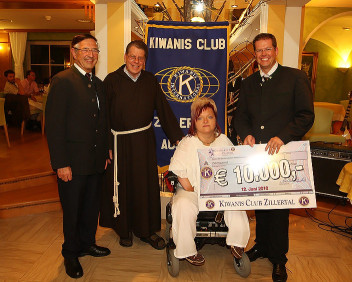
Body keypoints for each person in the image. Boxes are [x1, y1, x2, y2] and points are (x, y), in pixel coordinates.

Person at [234, 33, 314, 282]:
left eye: (267, 49)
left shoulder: (295, 77)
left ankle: (279, 259)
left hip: (282, 153)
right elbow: (240, 116)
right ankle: (261, 245)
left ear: (276, 50)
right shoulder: (247, 83)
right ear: (255, 56)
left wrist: (283, 136)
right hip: (257, 155)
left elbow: (305, 115)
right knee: (260, 204)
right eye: (259, 51)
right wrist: (245, 134)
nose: (263, 54)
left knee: (278, 209)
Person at [99, 40, 184, 250]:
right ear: (125, 57)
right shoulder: (111, 81)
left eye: (140, 58)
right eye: (132, 56)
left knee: (144, 186)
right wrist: (106, 145)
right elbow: (103, 118)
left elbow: (163, 109)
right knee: (123, 185)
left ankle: (146, 231)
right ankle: (124, 230)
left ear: (145, 61)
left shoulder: (150, 81)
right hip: (119, 143)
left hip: (144, 142)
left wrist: (177, 138)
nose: (136, 61)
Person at [46, 34, 110, 279]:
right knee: (72, 209)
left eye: (95, 50)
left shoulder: (98, 83)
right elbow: (54, 126)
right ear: (74, 52)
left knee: (90, 206)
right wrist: (60, 163)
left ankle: (87, 243)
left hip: (95, 161)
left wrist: (105, 152)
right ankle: (70, 252)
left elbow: (102, 122)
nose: (91, 54)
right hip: (71, 162)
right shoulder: (62, 81)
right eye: (86, 50)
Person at [169, 97, 250, 265]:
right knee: (183, 205)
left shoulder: (224, 141)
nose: (205, 121)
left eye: (210, 117)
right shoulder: (187, 143)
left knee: (237, 202)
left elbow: (234, 168)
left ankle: (238, 243)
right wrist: (194, 192)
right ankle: (187, 250)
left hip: (220, 190)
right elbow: (179, 172)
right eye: (200, 118)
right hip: (192, 190)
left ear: (216, 119)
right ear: (194, 122)